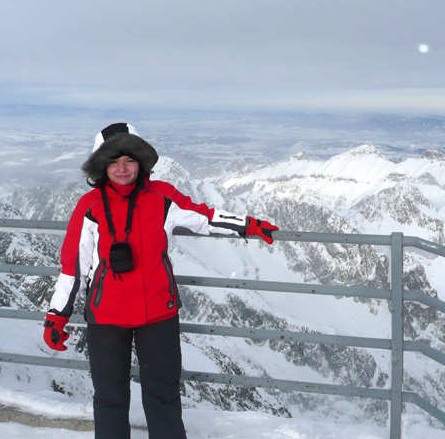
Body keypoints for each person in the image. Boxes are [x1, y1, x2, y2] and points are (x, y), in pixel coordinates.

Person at [42, 122, 278, 439]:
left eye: (129, 159)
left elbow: (204, 218)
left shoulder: (163, 197)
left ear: (141, 161)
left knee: (163, 397)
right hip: (107, 317)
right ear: (101, 166)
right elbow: (73, 267)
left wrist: (246, 225)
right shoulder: (89, 207)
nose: (122, 168)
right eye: (113, 161)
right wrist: (57, 315)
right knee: (110, 399)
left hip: (158, 314)